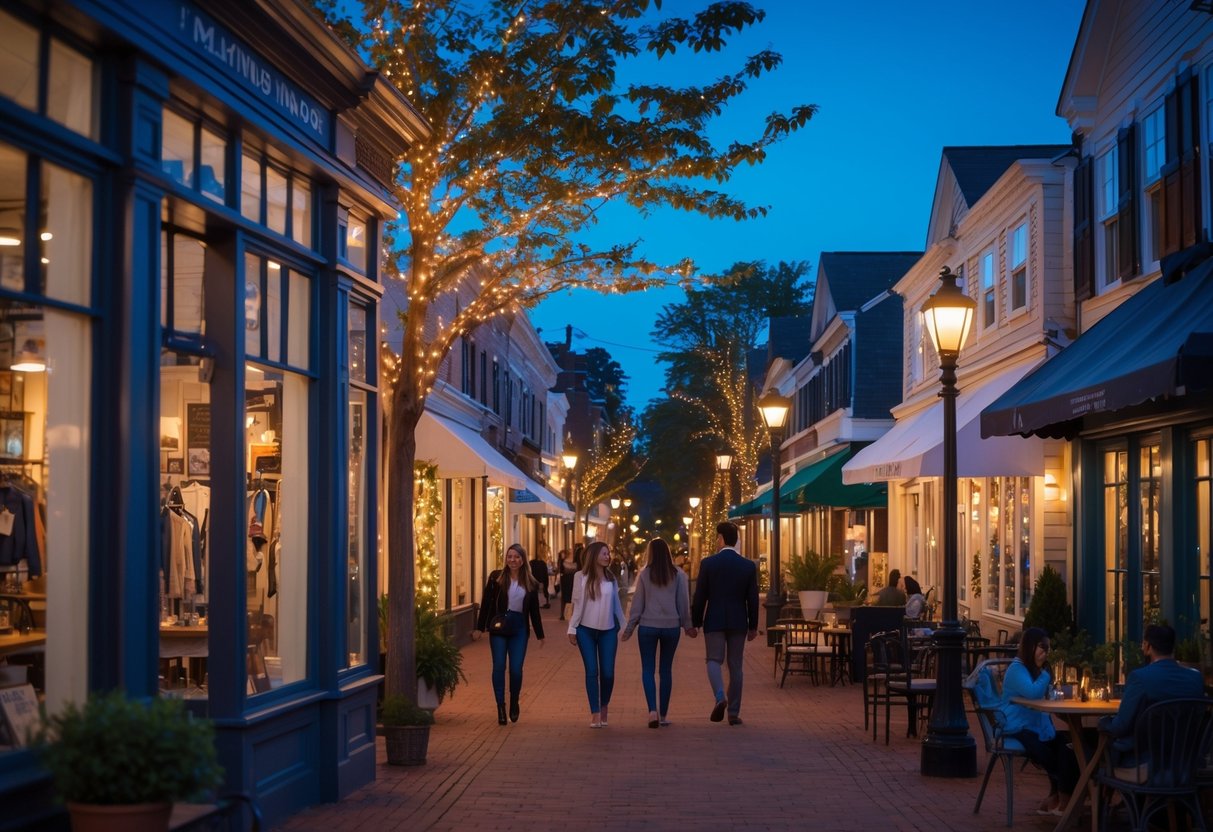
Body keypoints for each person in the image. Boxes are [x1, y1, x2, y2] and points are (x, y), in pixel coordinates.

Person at [1098, 623, 1204, 765]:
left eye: (1143, 644)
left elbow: (1120, 726)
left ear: (1148, 646)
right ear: (1173, 647)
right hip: (1185, 764)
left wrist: (1103, 722)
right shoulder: (1195, 678)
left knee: (1088, 748)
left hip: (1143, 764)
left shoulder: (1140, 678)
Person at [1000, 626, 1079, 816]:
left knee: (1067, 744)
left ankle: (1058, 796)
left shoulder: (1033, 670)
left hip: (1032, 726)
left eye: (1048, 649)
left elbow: (1043, 695)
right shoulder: (1017, 669)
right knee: (1050, 752)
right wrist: (1046, 674)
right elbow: (1034, 693)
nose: (1046, 653)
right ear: (1030, 646)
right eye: (1042, 647)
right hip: (1015, 727)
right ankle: (1064, 798)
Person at [691, 521, 759, 726]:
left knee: (713, 659)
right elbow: (753, 598)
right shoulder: (747, 566)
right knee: (735, 665)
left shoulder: (709, 564)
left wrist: (696, 621)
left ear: (721, 539)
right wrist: (753, 625)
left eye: (716, 538)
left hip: (715, 619)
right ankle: (733, 713)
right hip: (738, 621)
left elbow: (700, 596)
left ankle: (720, 695)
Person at [621, 538, 694, 728]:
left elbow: (637, 603)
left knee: (648, 669)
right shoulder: (678, 574)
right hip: (671, 627)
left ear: (651, 553)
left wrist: (630, 628)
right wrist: (687, 625)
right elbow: (683, 603)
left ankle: (652, 710)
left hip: (648, 626)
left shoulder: (645, 574)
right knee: (666, 670)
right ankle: (663, 715)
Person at [475, 543, 545, 725]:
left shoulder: (530, 582)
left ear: (523, 560)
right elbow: (486, 602)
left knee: (516, 669)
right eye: (510, 556)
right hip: (499, 626)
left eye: (516, 557)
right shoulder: (496, 578)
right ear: (506, 558)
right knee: (499, 666)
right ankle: (500, 706)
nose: (512, 560)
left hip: (519, 628)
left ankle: (514, 701)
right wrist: (479, 627)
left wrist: (540, 634)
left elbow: (534, 611)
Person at [567, 540, 626, 728]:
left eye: (608, 553)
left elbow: (617, 605)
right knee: (592, 671)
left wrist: (625, 626)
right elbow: (576, 605)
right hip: (585, 630)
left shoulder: (611, 578)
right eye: (604, 553)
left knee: (608, 673)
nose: (607, 556)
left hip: (608, 631)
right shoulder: (580, 577)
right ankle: (595, 712)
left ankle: (604, 705)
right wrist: (572, 628)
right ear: (593, 555)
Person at [558, 546, 579, 621]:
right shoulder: (563, 561)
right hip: (566, 581)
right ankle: (564, 614)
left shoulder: (576, 561)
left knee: (571, 597)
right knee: (565, 597)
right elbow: (560, 570)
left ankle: (569, 614)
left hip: (571, 580)